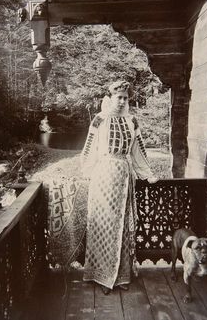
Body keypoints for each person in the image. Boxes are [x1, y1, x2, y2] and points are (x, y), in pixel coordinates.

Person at [80, 80, 157, 295]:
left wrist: (147, 173)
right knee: (102, 223)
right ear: (111, 97)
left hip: (124, 176)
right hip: (103, 176)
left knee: (122, 225)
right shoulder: (99, 120)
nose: (122, 101)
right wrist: (86, 171)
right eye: (118, 97)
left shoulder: (132, 121)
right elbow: (90, 148)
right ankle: (100, 275)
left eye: (125, 97)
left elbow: (138, 150)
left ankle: (122, 276)